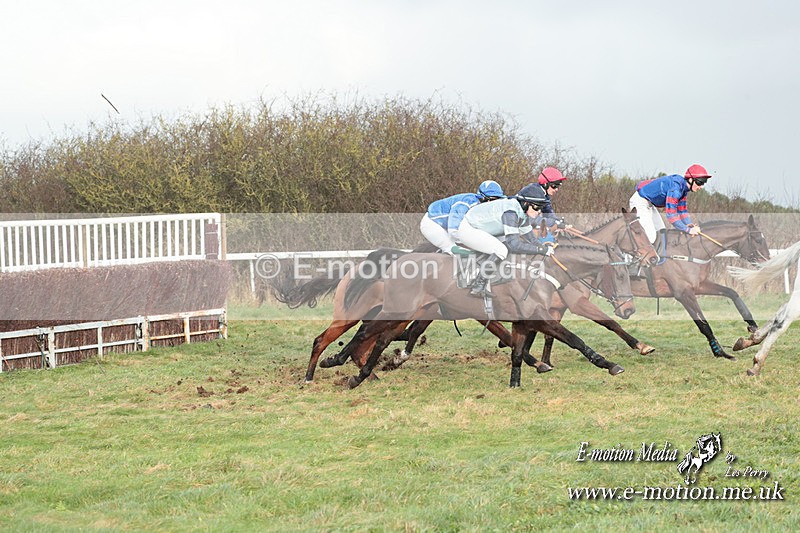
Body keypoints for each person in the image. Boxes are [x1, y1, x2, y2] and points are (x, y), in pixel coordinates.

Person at [456, 183, 554, 297]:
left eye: (541, 208)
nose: (539, 211)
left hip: (483, 228)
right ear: (526, 203)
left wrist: (543, 248)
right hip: (468, 228)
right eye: (537, 207)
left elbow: (530, 238)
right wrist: (540, 250)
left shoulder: (521, 211)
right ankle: (478, 286)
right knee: (501, 250)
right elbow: (515, 245)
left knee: (505, 246)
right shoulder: (511, 213)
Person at [629, 164, 711, 243]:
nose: (701, 187)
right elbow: (671, 216)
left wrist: (689, 224)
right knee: (651, 237)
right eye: (700, 183)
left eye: (703, 183)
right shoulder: (675, 189)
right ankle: (628, 254)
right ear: (690, 179)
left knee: (661, 232)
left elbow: (682, 211)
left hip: (649, 203)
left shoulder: (683, 189)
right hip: (640, 201)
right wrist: (688, 230)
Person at [419, 180, 505, 254]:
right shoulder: (466, 203)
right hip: (432, 224)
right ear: (481, 197)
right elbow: (453, 231)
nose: (493, 204)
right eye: (492, 200)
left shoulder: (483, 208)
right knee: (455, 250)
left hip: (447, 226)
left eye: (498, 200)